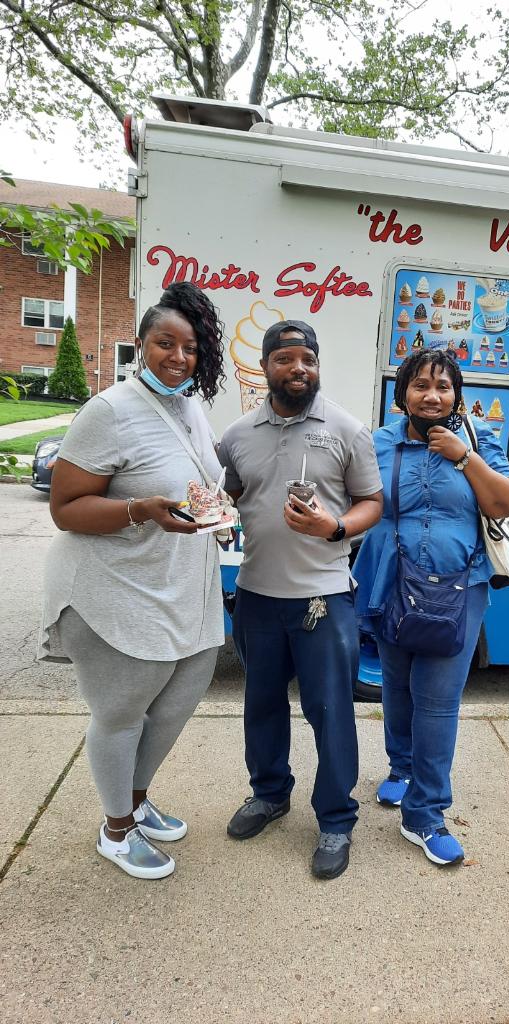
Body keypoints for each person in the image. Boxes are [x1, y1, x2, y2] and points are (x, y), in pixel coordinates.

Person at [39, 282, 227, 880]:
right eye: (165, 343)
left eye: (190, 348)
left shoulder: (190, 407)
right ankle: (116, 830)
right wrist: (138, 509)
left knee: (176, 704)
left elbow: (197, 481)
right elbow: (66, 508)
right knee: (121, 715)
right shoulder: (109, 410)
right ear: (141, 343)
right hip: (115, 590)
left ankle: (137, 801)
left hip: (185, 586)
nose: (179, 357)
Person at [218, 320, 383, 880]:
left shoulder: (347, 429)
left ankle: (335, 820)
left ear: (317, 366)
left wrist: (335, 527)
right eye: (286, 359)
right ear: (265, 366)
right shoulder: (237, 434)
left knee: (330, 712)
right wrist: (215, 515)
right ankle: (269, 794)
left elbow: (372, 502)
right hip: (257, 595)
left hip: (323, 598)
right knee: (262, 704)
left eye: (307, 359)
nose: (298, 369)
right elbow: (230, 493)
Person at [353, 350, 509, 867]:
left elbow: (506, 502)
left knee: (437, 701)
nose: (432, 396)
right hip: (390, 584)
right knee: (396, 686)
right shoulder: (378, 442)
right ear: (401, 394)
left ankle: (426, 813)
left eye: (443, 387)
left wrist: (462, 456)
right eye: (420, 385)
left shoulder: (478, 439)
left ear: (457, 395)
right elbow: (355, 501)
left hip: (458, 590)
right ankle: (401, 769)